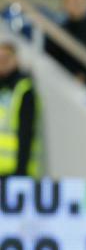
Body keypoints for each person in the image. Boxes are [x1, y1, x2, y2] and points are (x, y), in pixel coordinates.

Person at [0, 42, 41, 177]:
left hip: (14, 170)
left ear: (15, 60)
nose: (2, 62)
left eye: (6, 58)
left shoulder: (24, 88)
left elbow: (26, 131)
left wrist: (21, 170)